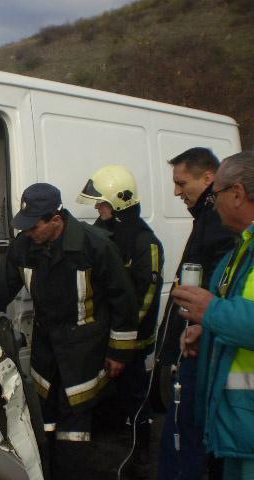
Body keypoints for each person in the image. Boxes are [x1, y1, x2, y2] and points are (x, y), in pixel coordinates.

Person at [0, 182, 138, 480]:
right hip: (46, 348)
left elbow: (123, 300)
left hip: (84, 349)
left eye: (34, 226)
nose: (28, 232)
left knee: (74, 422)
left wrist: (119, 352)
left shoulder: (96, 246)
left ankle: (71, 472)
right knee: (44, 417)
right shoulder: (24, 247)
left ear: (55, 219)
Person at [171, 151, 254, 480]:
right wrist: (208, 328)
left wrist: (211, 311)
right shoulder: (244, 244)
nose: (212, 203)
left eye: (215, 194)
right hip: (239, 423)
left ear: (237, 193)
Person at [78, 164, 164, 478]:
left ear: (118, 204)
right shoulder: (104, 235)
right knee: (108, 393)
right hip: (108, 335)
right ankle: (115, 439)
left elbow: (145, 298)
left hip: (134, 341)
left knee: (135, 395)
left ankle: (141, 449)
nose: (97, 210)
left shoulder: (145, 243)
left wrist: (123, 338)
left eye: (102, 204)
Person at [158, 148, 236, 480]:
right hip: (195, 336)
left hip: (201, 344)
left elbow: (223, 288)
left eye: (181, 183)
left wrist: (205, 322)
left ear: (208, 178)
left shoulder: (218, 220)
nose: (176, 192)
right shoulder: (206, 216)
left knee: (186, 435)